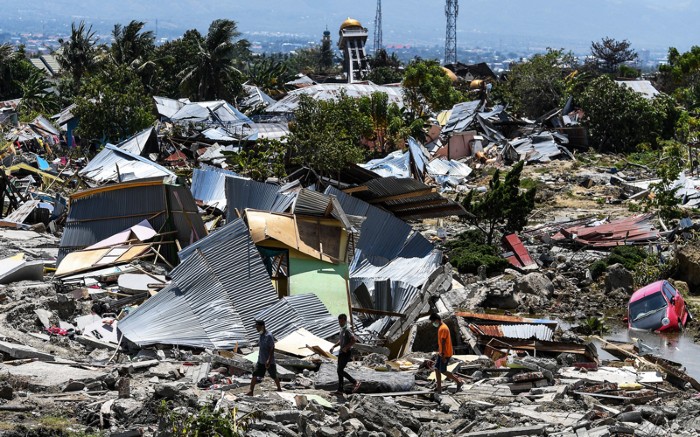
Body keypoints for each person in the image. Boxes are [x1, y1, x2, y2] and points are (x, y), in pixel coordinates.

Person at [429, 313, 463, 393]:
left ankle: (458, 382)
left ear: (437, 320)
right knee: (437, 369)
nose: (433, 323)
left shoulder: (443, 328)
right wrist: (439, 350)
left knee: (443, 371)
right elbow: (441, 342)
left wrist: (443, 355)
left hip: (445, 353)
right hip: (442, 352)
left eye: (433, 322)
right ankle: (439, 389)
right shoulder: (441, 327)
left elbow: (443, 342)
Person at [246, 320, 281, 396]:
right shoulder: (261, 335)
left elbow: (272, 348)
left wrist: (269, 360)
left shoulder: (269, 335)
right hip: (261, 360)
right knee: (255, 374)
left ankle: (279, 388)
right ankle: (251, 391)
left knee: (273, 375)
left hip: (269, 361)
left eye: (257, 327)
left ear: (262, 326)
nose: (256, 329)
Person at [329, 314, 361, 395]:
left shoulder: (347, 329)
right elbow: (341, 340)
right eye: (339, 321)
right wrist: (334, 346)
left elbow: (354, 340)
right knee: (339, 371)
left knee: (340, 370)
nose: (340, 322)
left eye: (341, 321)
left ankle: (355, 382)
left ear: (345, 320)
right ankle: (340, 390)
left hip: (346, 353)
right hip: (341, 352)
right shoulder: (342, 329)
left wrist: (346, 347)